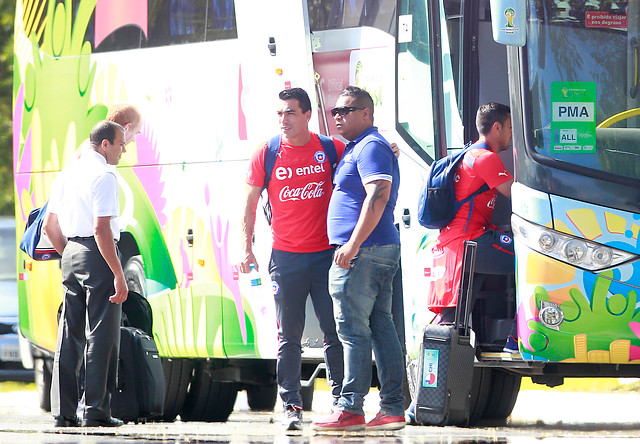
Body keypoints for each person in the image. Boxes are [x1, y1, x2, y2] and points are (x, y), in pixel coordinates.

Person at [240, 87, 346, 431]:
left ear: (307, 116)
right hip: (286, 259)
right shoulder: (268, 152)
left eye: (290, 113)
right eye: (280, 114)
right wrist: (246, 248)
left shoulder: (331, 149)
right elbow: (250, 204)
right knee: (289, 335)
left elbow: (365, 172)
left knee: (335, 331)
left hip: (327, 256)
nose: (283, 120)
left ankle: (342, 402)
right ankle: (291, 406)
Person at [312, 86, 404, 431]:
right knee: (381, 328)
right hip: (374, 249)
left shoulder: (370, 147)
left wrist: (351, 245)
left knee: (352, 330)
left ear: (367, 113)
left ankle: (351, 408)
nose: (338, 116)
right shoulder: (361, 147)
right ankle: (392, 409)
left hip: (364, 251)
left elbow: (378, 196)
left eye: (346, 111)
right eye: (335, 111)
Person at [44, 120, 129, 428]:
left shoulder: (67, 173)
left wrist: (69, 253)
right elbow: (101, 228)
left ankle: (63, 413)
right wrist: (118, 273)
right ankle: (96, 410)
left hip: (69, 253)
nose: (123, 150)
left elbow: (49, 227)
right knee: (102, 335)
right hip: (98, 253)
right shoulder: (105, 175)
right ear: (104, 144)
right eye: (120, 144)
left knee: (69, 335)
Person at [426, 102, 515, 348]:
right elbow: (518, 196)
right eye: (510, 127)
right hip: (471, 243)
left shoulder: (468, 154)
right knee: (536, 258)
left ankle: (443, 377)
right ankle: (518, 337)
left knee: (452, 322)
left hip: (454, 247)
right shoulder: (485, 158)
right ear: (496, 127)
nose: (512, 134)